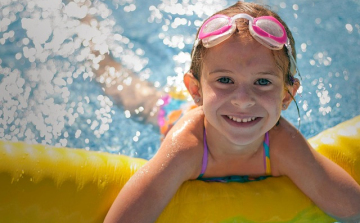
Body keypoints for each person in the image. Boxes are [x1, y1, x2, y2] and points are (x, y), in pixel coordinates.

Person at [104, 2, 360, 222]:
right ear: (196, 90)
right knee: (132, 94)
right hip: (174, 115)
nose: (243, 100)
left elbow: (350, 208)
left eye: (262, 82)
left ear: (286, 95)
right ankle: (98, 56)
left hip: (215, 108)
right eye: (225, 80)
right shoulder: (185, 148)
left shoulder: (283, 144)